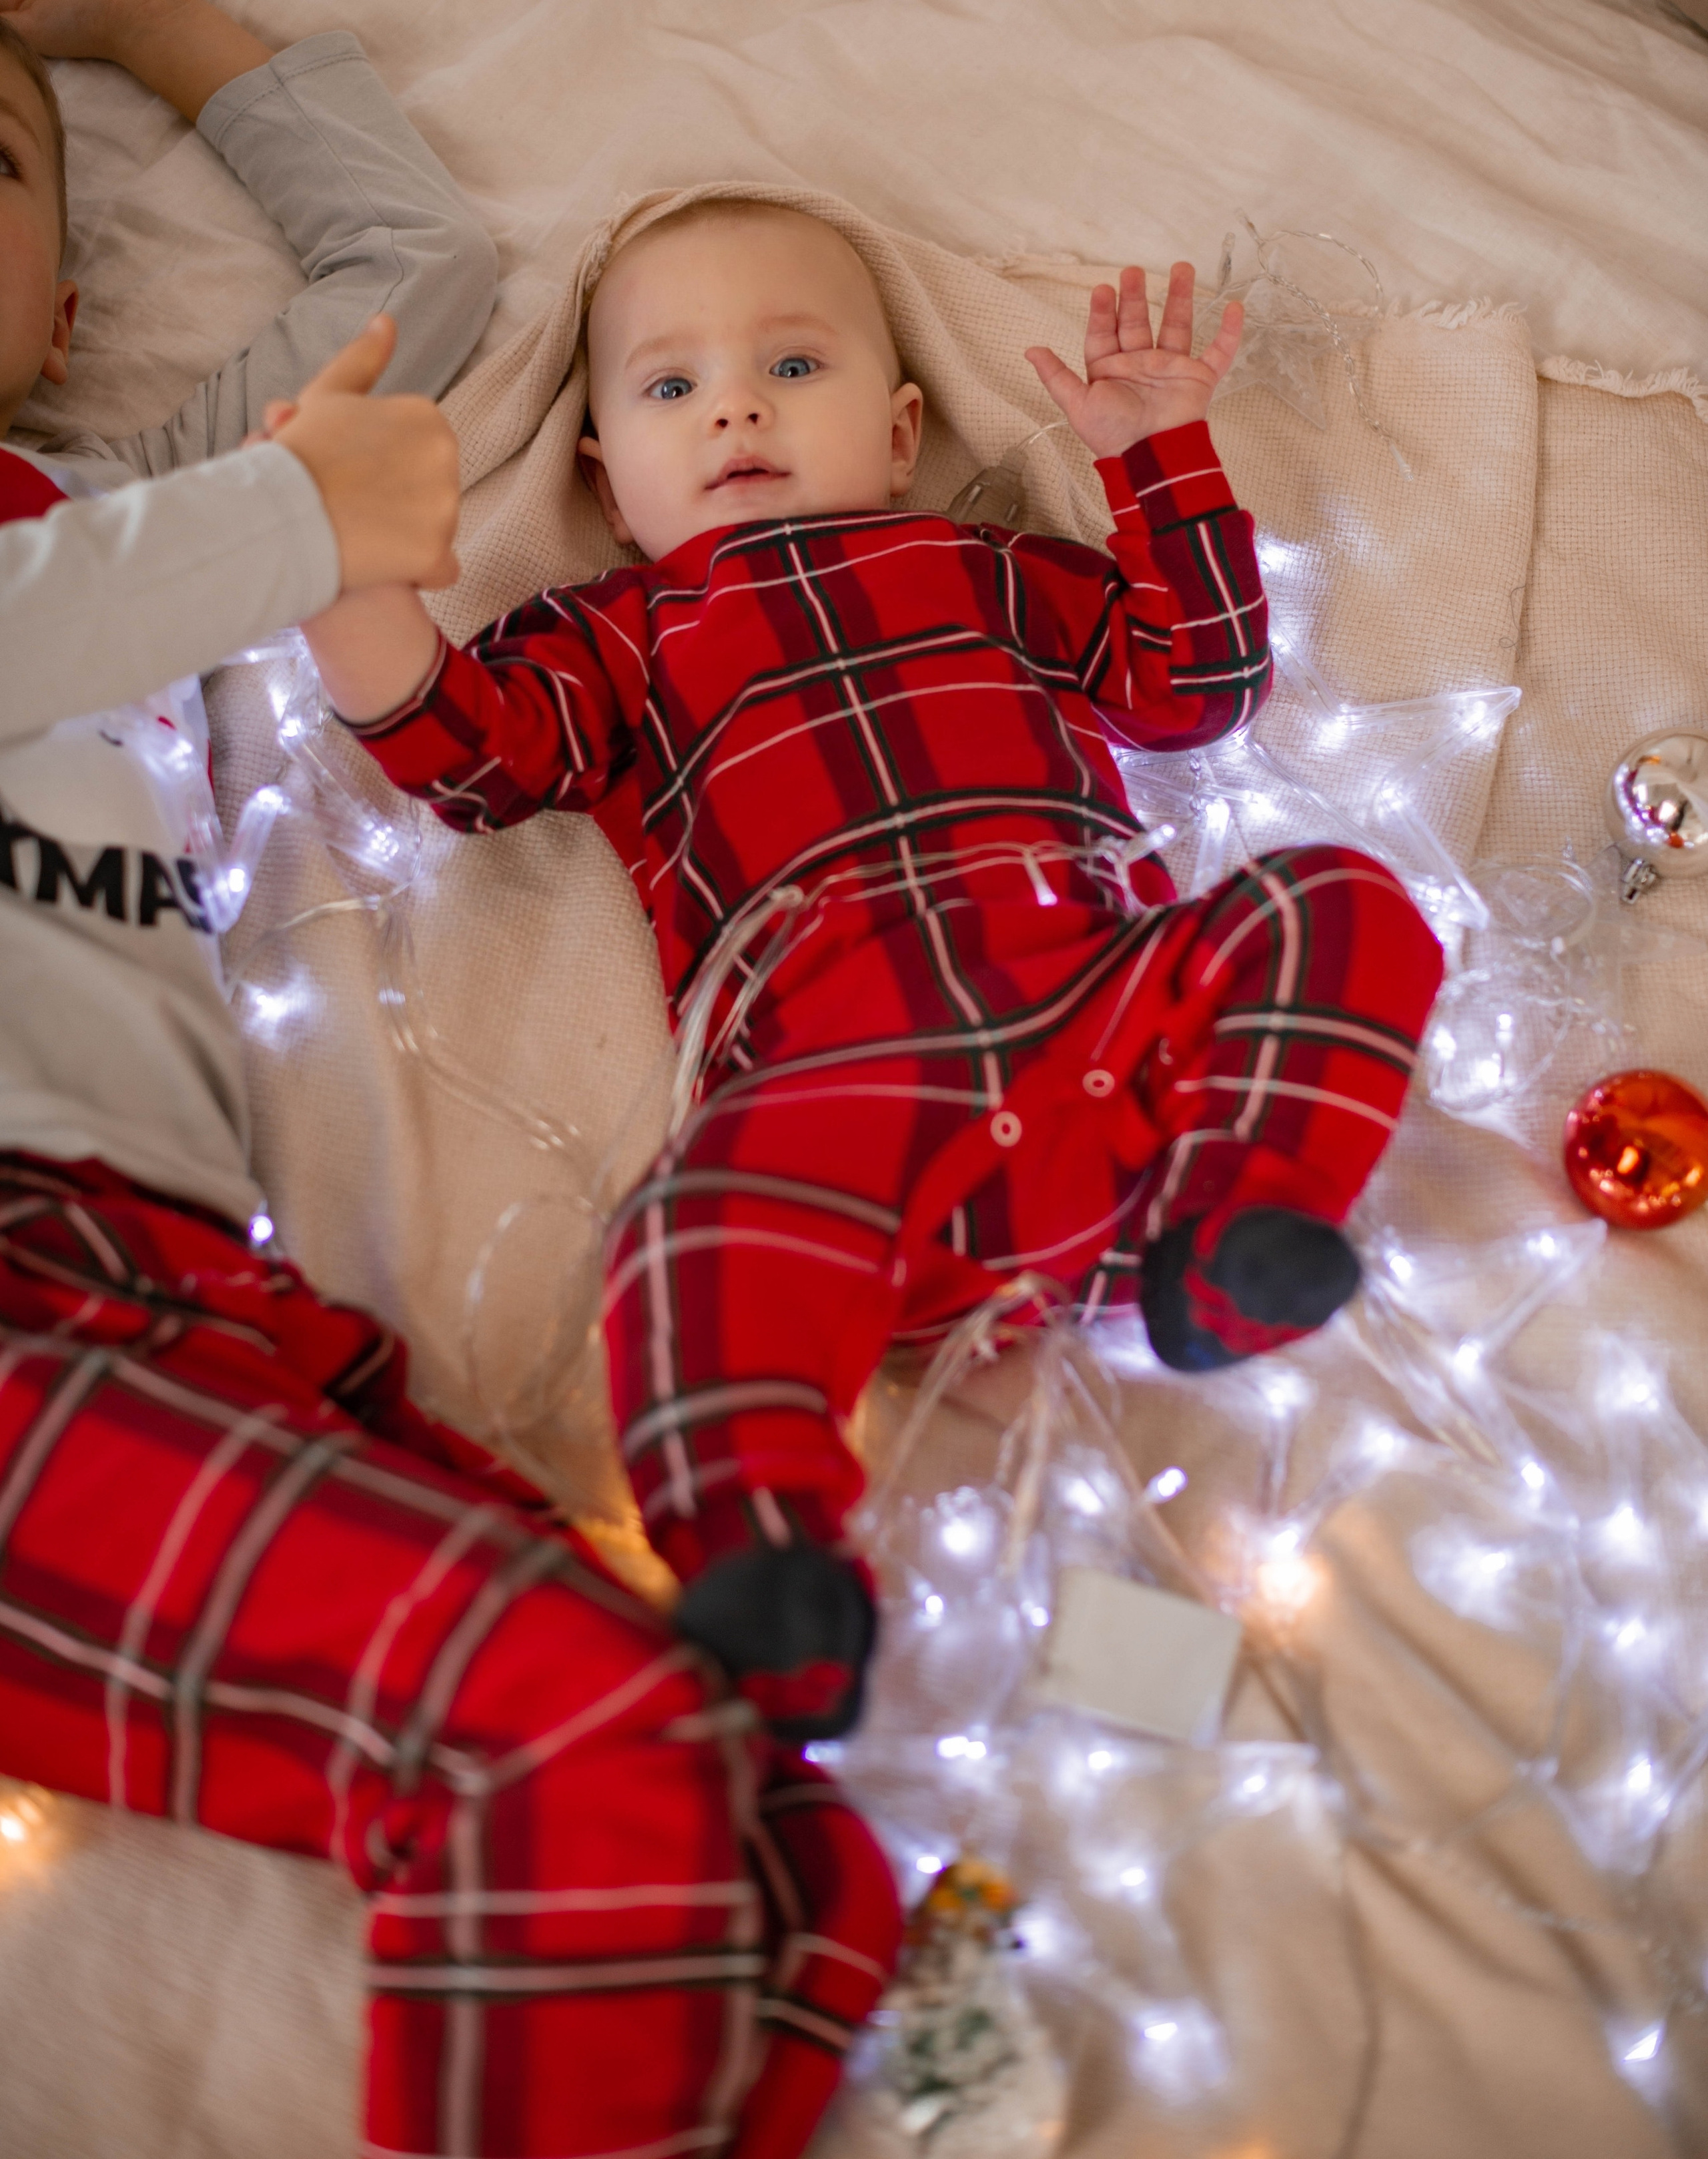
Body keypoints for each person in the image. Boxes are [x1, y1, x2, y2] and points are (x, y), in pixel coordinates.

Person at [0, 0, 898, 2159]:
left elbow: (414, 290)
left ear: (59, 299)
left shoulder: (111, 487)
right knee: (565, 1736)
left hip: (155, 1281)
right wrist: (280, 528)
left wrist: (163, 24)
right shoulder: (182, 536)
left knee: (769, 1831)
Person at [299, 193, 1448, 1743]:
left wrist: (1153, 445)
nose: (734, 407)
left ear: (900, 431)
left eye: (792, 364)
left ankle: (1238, 1218)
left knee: (1338, 903)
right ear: (604, 481)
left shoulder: (984, 569)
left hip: (1103, 1026)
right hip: (838, 1111)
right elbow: (468, 757)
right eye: (668, 387)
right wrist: (342, 576)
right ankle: (770, 1569)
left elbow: (1197, 681)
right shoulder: (625, 632)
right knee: (682, 1234)